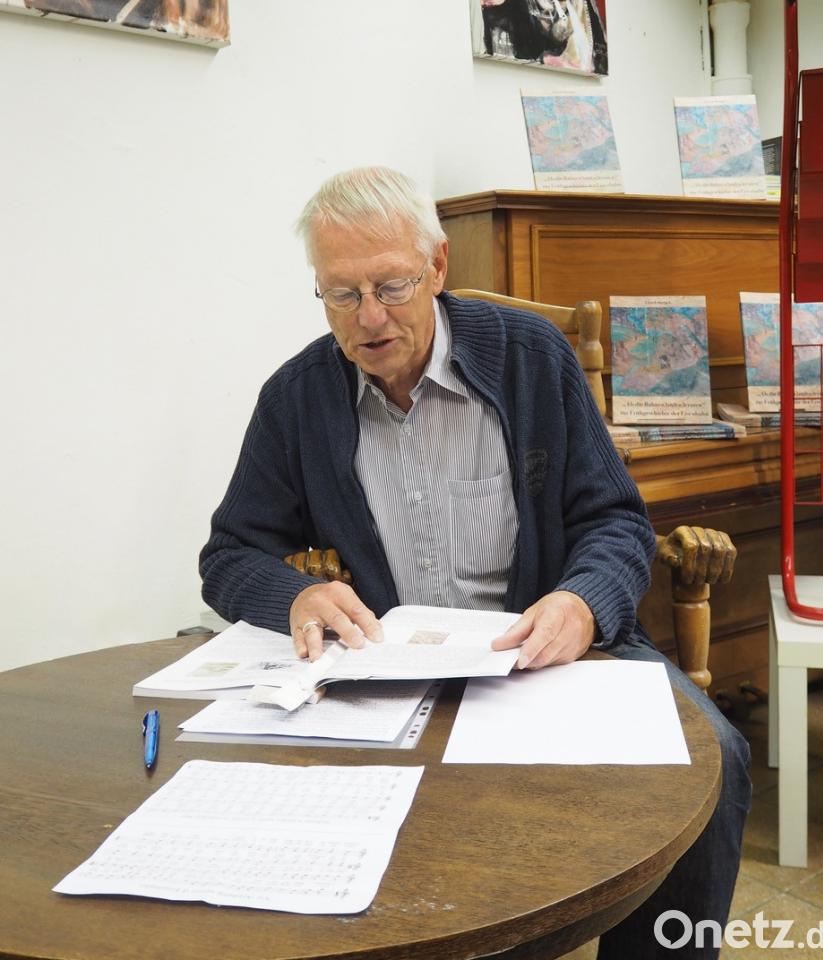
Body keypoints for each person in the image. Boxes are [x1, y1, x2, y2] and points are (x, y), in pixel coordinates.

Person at [200, 166, 750, 959]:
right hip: (393, 682)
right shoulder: (297, 399)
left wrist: (582, 602)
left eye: (390, 286)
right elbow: (227, 554)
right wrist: (293, 596)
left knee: (716, 760)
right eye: (341, 294)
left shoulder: (532, 358)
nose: (368, 317)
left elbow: (616, 521)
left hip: (548, 659)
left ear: (437, 267)